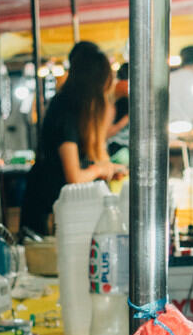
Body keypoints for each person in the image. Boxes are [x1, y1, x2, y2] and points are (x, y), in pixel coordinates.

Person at [18, 41, 127, 235]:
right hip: (49, 210)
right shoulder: (66, 111)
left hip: (63, 210)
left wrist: (105, 170)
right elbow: (74, 177)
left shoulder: (77, 110)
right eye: (104, 86)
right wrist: (99, 169)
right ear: (94, 85)